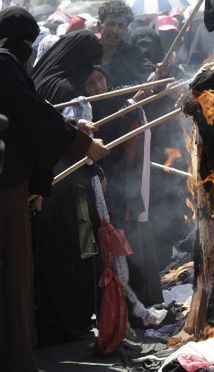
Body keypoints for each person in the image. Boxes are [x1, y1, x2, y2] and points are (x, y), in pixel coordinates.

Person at [0, 7, 108, 371]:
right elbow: (30, 114)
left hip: (18, 181)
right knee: (14, 271)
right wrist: (80, 143)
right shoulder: (3, 62)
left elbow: (29, 112)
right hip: (6, 184)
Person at [97, 0, 155, 88]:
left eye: (121, 26)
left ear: (125, 31)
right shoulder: (88, 53)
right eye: (111, 24)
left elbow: (148, 70)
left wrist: (155, 74)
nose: (115, 31)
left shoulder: (134, 53)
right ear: (99, 26)